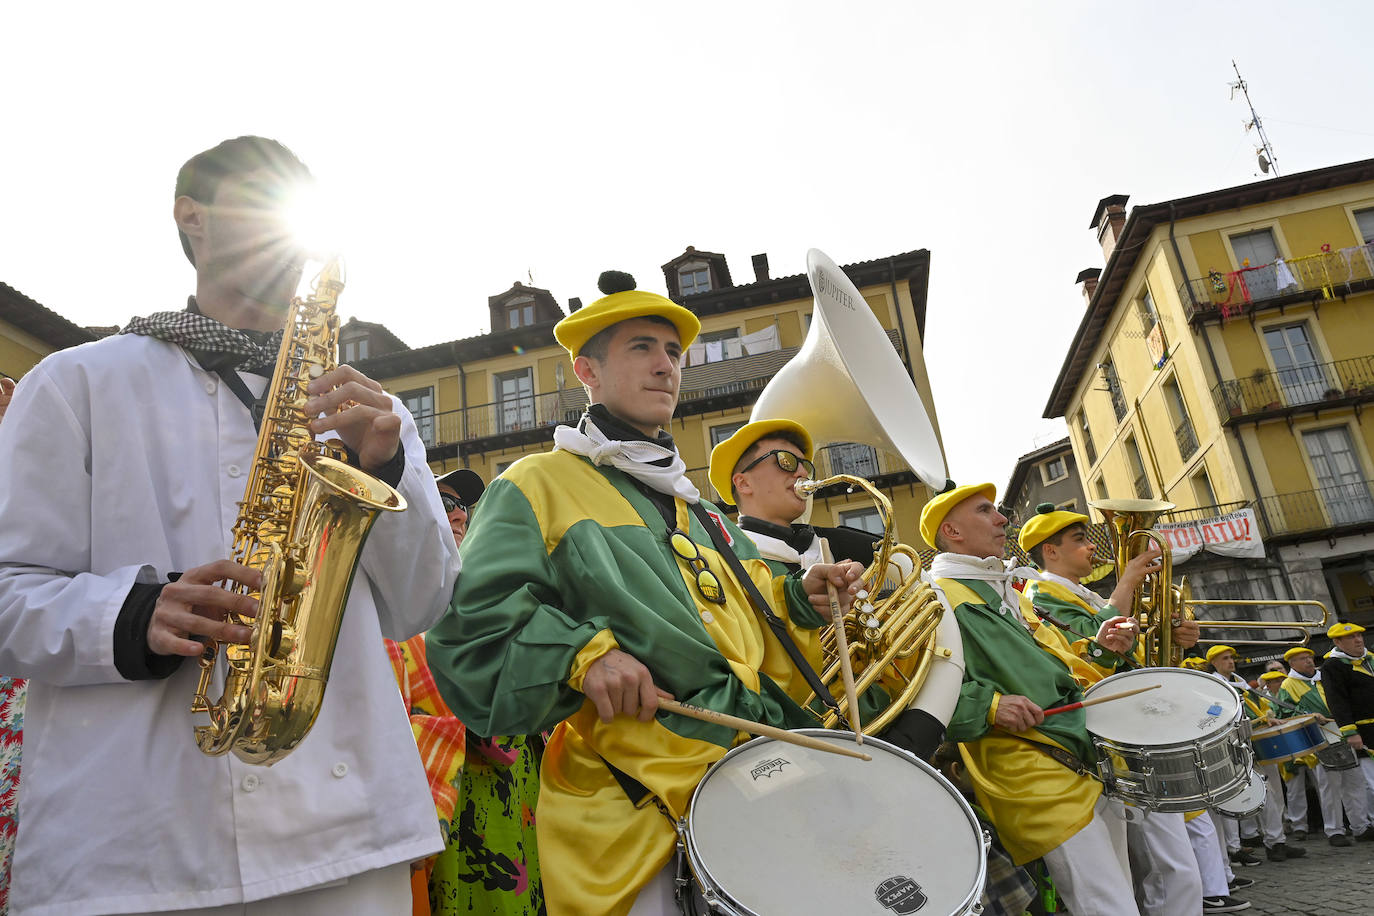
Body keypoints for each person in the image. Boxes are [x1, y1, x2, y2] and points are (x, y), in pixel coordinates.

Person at [0, 136, 461, 915]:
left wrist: (385, 468)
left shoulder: (365, 410)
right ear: (193, 218)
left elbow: (423, 603)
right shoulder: (74, 383)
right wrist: (134, 615)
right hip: (130, 849)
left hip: (345, 840)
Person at [425, 271, 863, 916]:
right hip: (634, 811)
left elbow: (753, 614)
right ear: (587, 371)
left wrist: (804, 600)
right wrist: (582, 656)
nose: (667, 366)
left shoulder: (702, 510)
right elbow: (472, 625)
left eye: (674, 353)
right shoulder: (534, 482)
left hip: (760, 770)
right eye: (642, 348)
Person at [919, 482, 1140, 916]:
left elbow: (1063, 667)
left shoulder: (1009, 592)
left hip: (1080, 750)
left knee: (1120, 895)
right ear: (952, 532)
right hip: (1027, 765)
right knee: (1110, 904)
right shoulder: (936, 596)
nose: (1002, 519)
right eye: (985, 511)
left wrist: (1100, 651)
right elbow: (911, 684)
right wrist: (988, 706)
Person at [707, 418, 946, 758]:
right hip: (778, 743)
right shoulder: (721, 560)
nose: (801, 472)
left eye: (806, 465)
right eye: (785, 461)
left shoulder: (830, 551)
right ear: (743, 482)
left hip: (867, 735)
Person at [1016, 504, 1214, 916]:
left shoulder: (1084, 595)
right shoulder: (1040, 596)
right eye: (1080, 541)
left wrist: (1175, 636)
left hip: (1135, 727)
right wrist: (1126, 583)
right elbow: (1091, 654)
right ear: (1050, 551)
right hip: (1112, 735)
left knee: (1169, 865)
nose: (1092, 547)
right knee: (1167, 867)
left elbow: (1132, 654)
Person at [389, 467, 546, 916]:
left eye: (463, 506)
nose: (459, 515)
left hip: (520, 799)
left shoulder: (495, 596)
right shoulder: (393, 604)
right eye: (445, 503)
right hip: (450, 812)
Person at [1205, 646, 1306, 864]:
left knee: (1277, 795)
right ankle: (1270, 843)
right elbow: (1219, 717)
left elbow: (1259, 708)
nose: (1231, 662)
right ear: (1214, 663)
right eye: (1225, 658)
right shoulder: (1214, 687)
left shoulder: (1241, 685)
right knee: (1265, 795)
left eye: (1232, 658)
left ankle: (1277, 840)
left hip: (1260, 742)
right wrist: (1258, 721)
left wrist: (1267, 718)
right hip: (1239, 748)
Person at [1278, 645, 1371, 846]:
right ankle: (1334, 830)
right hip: (1319, 738)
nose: (1308, 661)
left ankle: (1361, 826)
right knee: (1329, 786)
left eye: (1309, 657)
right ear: (1292, 663)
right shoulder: (1288, 685)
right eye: (1302, 658)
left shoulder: (1324, 676)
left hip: (1342, 732)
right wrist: (1309, 716)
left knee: (1354, 781)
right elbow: (1284, 714)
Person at [1320, 622, 1374, 825]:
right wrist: (1351, 731)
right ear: (1337, 642)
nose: (1358, 640)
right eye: (1351, 637)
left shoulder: (1370, 658)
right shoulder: (1332, 667)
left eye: (1359, 635)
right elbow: (1337, 701)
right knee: (1371, 782)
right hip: (1365, 731)